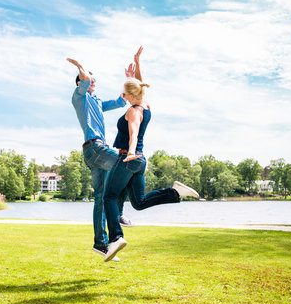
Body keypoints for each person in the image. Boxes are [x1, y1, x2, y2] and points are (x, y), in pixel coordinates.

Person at [103, 46, 199, 261]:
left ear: (130, 95)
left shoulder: (133, 111)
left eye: (124, 93)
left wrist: (131, 152)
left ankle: (116, 238)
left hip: (129, 158)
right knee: (139, 202)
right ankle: (175, 193)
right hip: (139, 162)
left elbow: (134, 132)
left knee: (109, 196)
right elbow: (141, 86)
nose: (123, 96)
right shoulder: (145, 104)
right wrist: (136, 67)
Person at [66, 56, 134, 262]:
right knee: (128, 164)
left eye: (94, 80)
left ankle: (100, 244)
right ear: (80, 82)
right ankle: (119, 214)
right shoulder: (79, 97)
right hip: (95, 148)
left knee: (101, 198)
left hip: (94, 153)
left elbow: (120, 101)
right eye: (89, 80)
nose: (93, 82)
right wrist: (80, 67)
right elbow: (85, 80)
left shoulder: (96, 102)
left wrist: (130, 81)